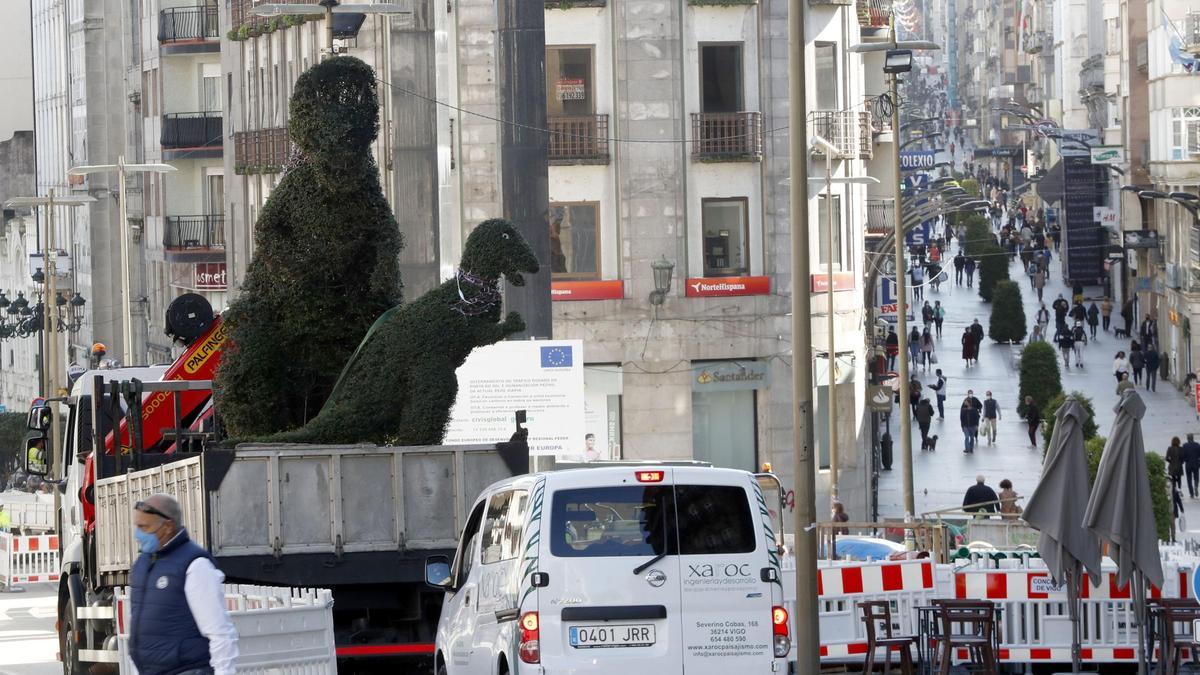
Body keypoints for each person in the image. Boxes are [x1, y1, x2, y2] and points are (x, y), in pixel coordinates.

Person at [130, 494, 237, 675]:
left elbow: (220, 631)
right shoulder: (143, 563)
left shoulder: (196, 565)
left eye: (144, 527)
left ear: (168, 526)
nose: (137, 535)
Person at [1181, 433, 1200, 498]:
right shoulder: (1197, 445)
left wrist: (1184, 461)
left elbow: (1183, 455)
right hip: (1196, 463)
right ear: (1193, 438)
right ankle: (1196, 486)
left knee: (1189, 479)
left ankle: (1191, 493)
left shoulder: (1185, 445)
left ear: (1187, 438)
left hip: (1188, 464)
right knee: (1196, 477)